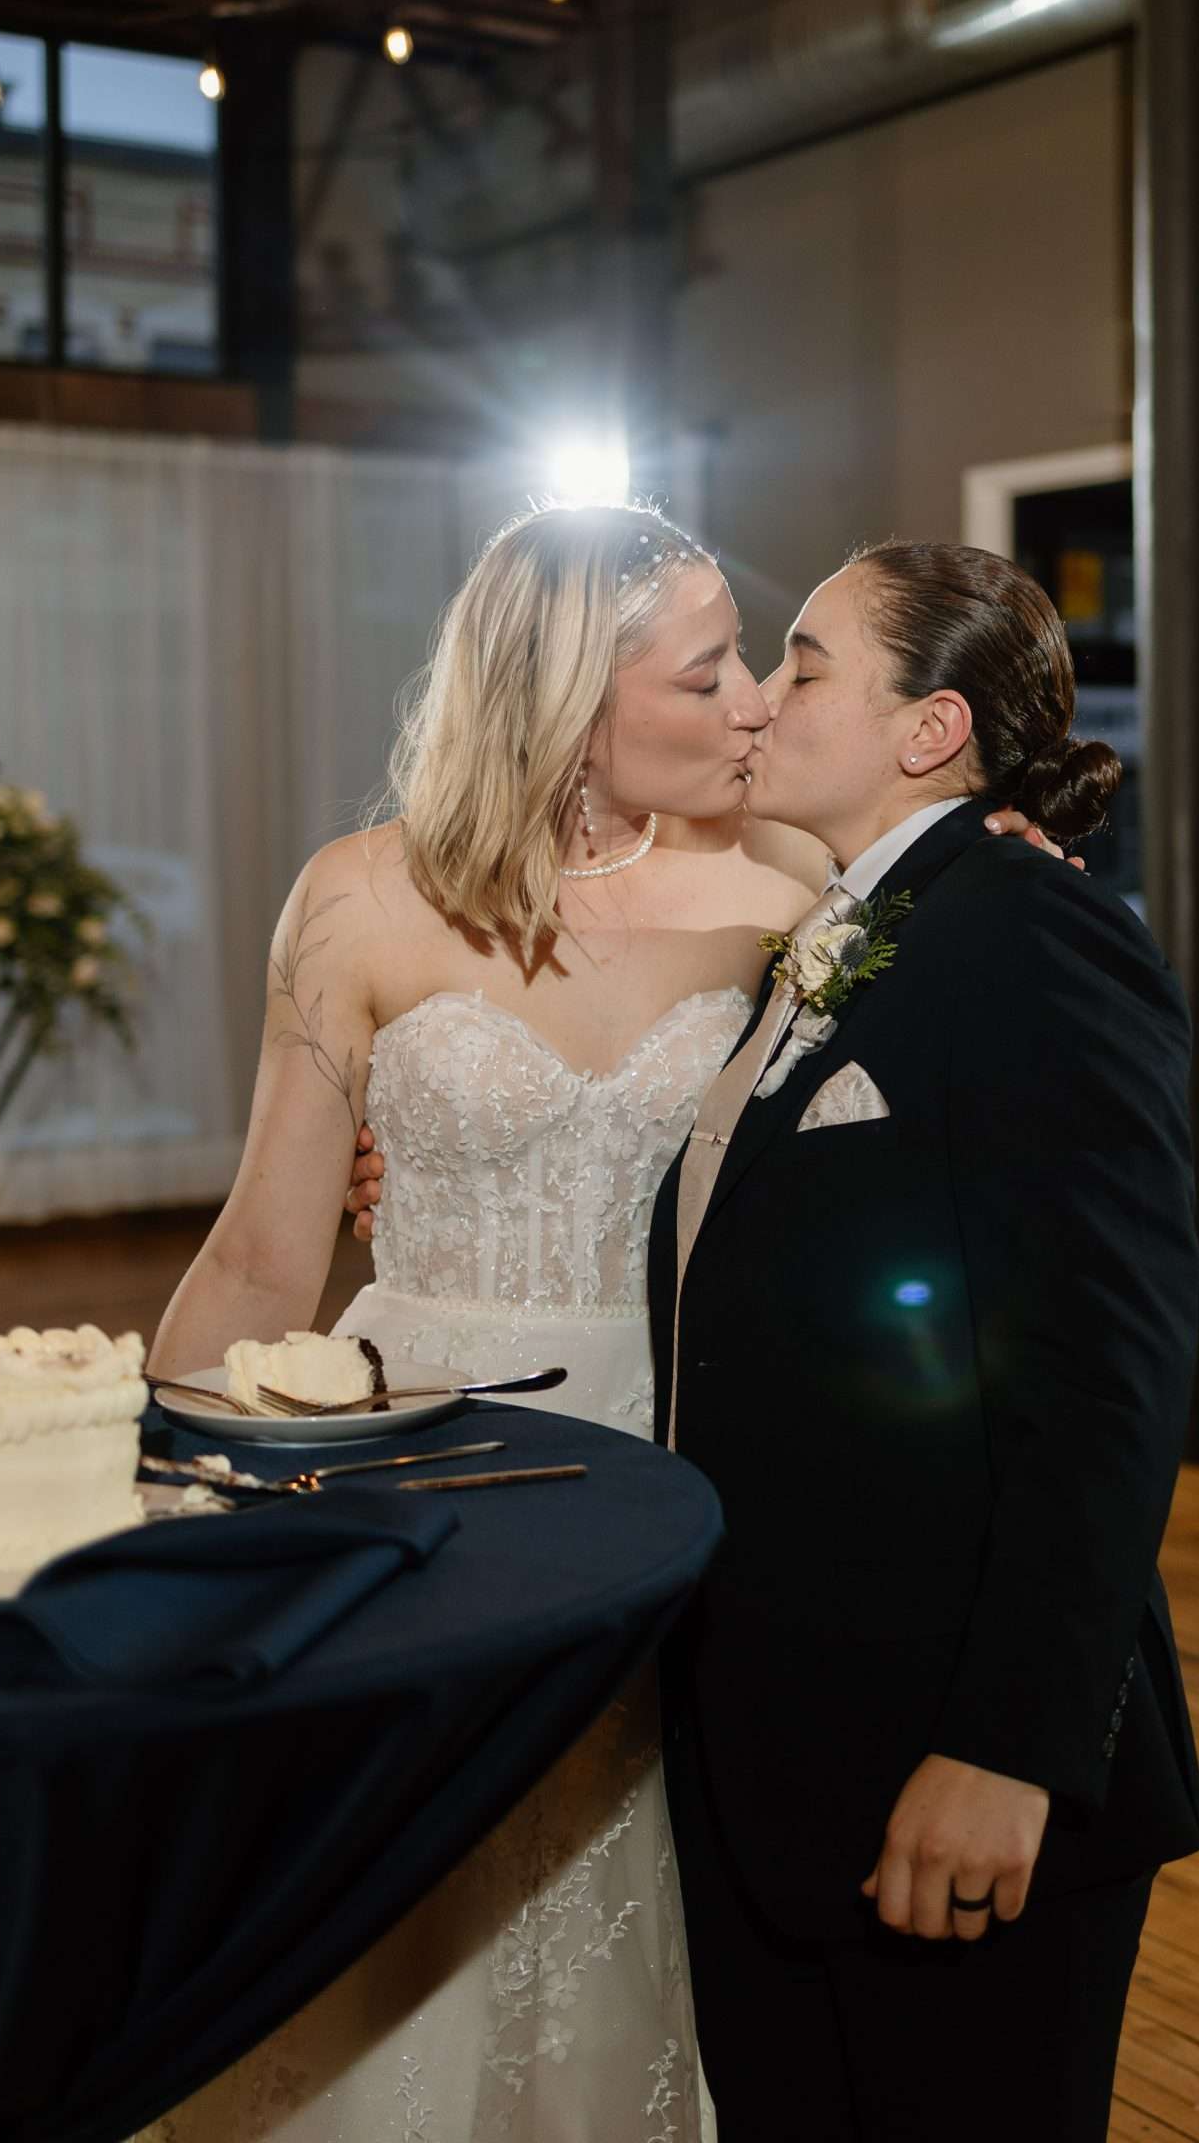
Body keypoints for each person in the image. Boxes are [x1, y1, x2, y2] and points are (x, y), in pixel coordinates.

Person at [147, 502, 1060, 2143]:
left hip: (690, 1459)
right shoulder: (355, 900)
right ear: (573, 694)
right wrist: (148, 1493)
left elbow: (943, 1116)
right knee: (403, 1901)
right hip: (408, 1468)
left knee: (661, 1897)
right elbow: (263, 1259)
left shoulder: (803, 887)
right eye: (711, 673)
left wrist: (1006, 864)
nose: (754, 707)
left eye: (760, 667)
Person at [646, 540, 1199, 2143]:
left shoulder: (1033, 934)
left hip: (948, 1761)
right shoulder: (827, 942)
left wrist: (1005, 1752)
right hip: (778, 1747)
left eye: (803, 662)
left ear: (927, 730)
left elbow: (1102, 1378)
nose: (758, 697)